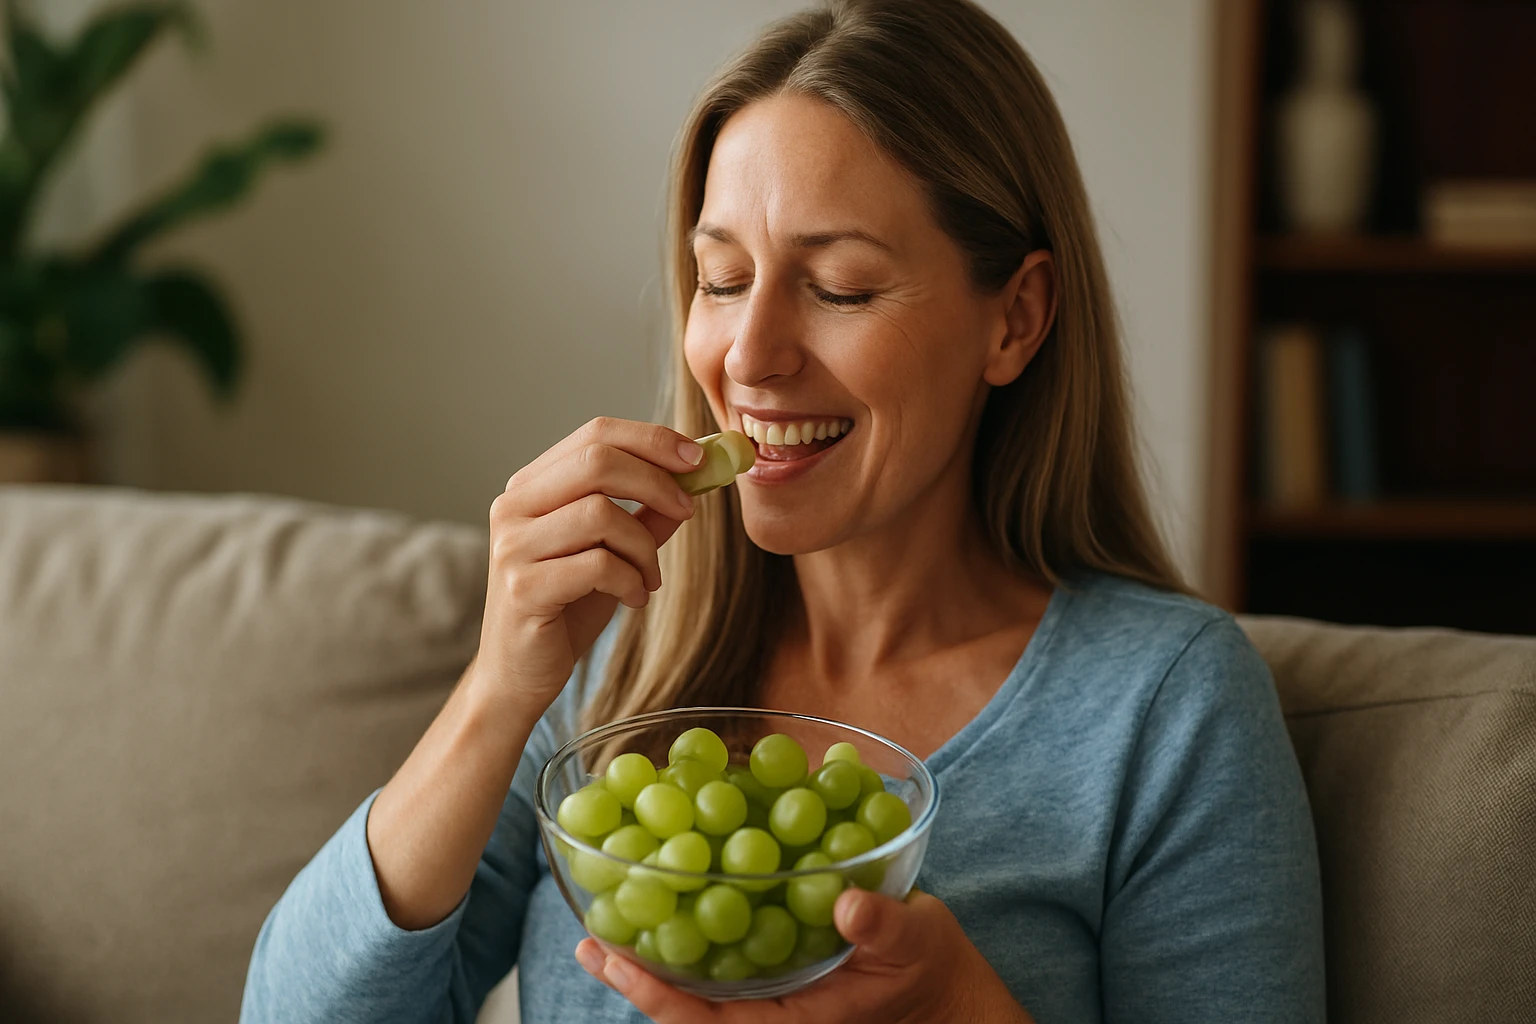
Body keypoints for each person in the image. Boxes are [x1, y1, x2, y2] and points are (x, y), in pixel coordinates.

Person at [240, 1, 1325, 1021]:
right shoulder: (618, 654)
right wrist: (496, 691)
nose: (749, 357)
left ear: (1017, 319)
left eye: (840, 286)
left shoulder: (1167, 707)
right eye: (720, 279)